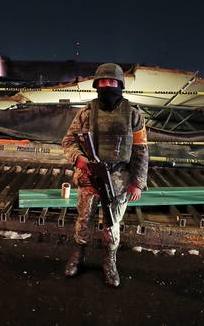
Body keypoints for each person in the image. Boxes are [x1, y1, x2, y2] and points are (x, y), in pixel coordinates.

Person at [61, 63, 149, 287]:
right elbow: (68, 141)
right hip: (89, 176)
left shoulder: (134, 115)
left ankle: (110, 261)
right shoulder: (86, 113)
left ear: (120, 85)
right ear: (96, 85)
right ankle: (78, 254)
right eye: (102, 83)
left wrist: (137, 183)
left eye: (111, 82)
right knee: (83, 220)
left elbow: (141, 151)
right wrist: (79, 159)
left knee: (112, 225)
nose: (106, 86)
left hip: (118, 179)